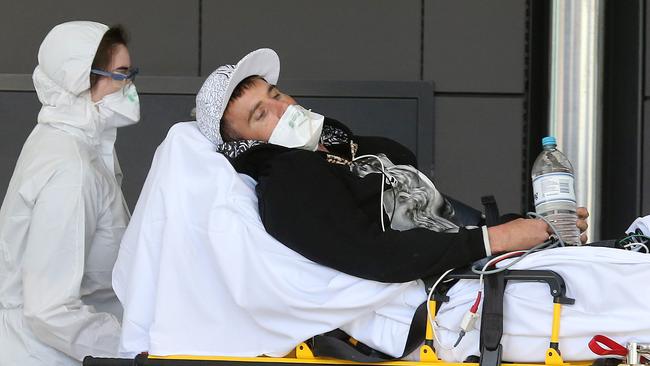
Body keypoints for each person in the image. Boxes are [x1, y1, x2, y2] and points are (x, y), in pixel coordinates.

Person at [195, 48, 589, 283]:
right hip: (441, 296)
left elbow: (438, 224)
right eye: (262, 114)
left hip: (465, 272)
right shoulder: (288, 180)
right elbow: (371, 254)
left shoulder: (346, 147)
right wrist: (496, 240)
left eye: (277, 93)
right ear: (244, 143)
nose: (285, 108)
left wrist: (532, 228)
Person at [0, 21, 140, 365]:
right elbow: (49, 311)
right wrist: (135, 345)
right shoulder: (70, 168)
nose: (131, 86)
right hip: (45, 354)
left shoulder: (62, 140)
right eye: (122, 74)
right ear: (80, 79)